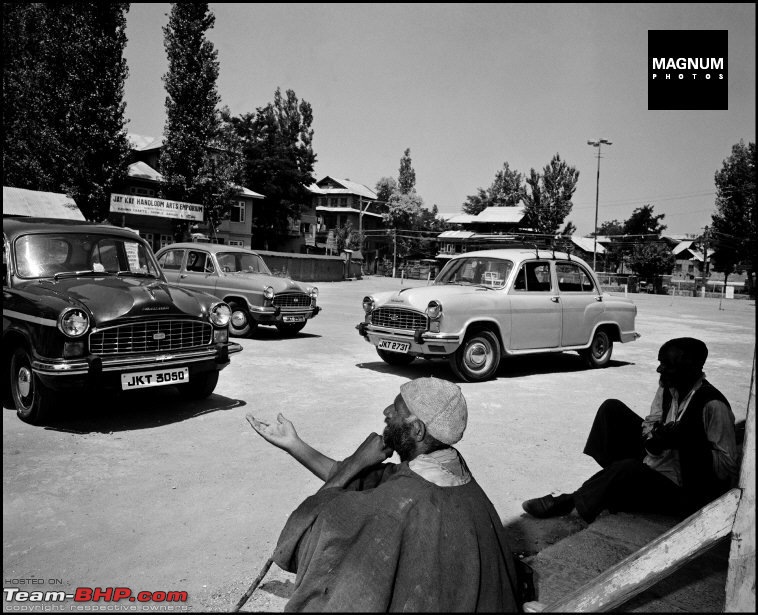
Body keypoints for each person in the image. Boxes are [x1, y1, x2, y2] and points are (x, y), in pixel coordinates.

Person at [247, 377, 522, 612]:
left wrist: (356, 461)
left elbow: (307, 523)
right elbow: (358, 480)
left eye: (397, 409)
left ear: (417, 430)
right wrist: (294, 445)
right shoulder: (450, 472)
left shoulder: (395, 508)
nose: (386, 411)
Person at [522, 337, 739, 524]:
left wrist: (687, 442)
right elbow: (651, 420)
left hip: (683, 486)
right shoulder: (668, 386)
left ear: (690, 369)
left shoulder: (713, 405)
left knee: (627, 469)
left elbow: (727, 465)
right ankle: (617, 484)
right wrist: (653, 436)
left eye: (667, 365)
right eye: (660, 363)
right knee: (611, 409)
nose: (659, 370)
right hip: (656, 459)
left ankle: (571, 502)